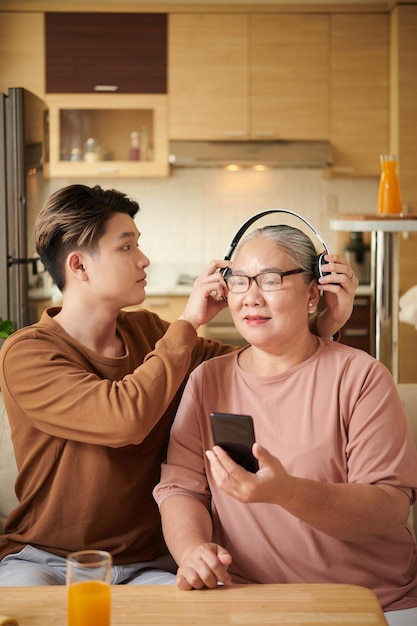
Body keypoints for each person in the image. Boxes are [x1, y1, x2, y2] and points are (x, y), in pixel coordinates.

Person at [0, 184, 357, 587]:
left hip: (149, 564)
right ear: (80, 267)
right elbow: (123, 419)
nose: (144, 259)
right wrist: (187, 322)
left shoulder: (150, 331)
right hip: (45, 560)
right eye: (127, 247)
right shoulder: (27, 353)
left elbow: (259, 367)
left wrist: (322, 327)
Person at [154, 223, 417, 625]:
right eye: (239, 282)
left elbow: (389, 510)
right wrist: (192, 550)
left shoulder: (361, 377)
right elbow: (181, 488)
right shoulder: (206, 379)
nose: (252, 297)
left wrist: (287, 492)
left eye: (271, 280)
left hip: (368, 603)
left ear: (313, 293)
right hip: (246, 599)